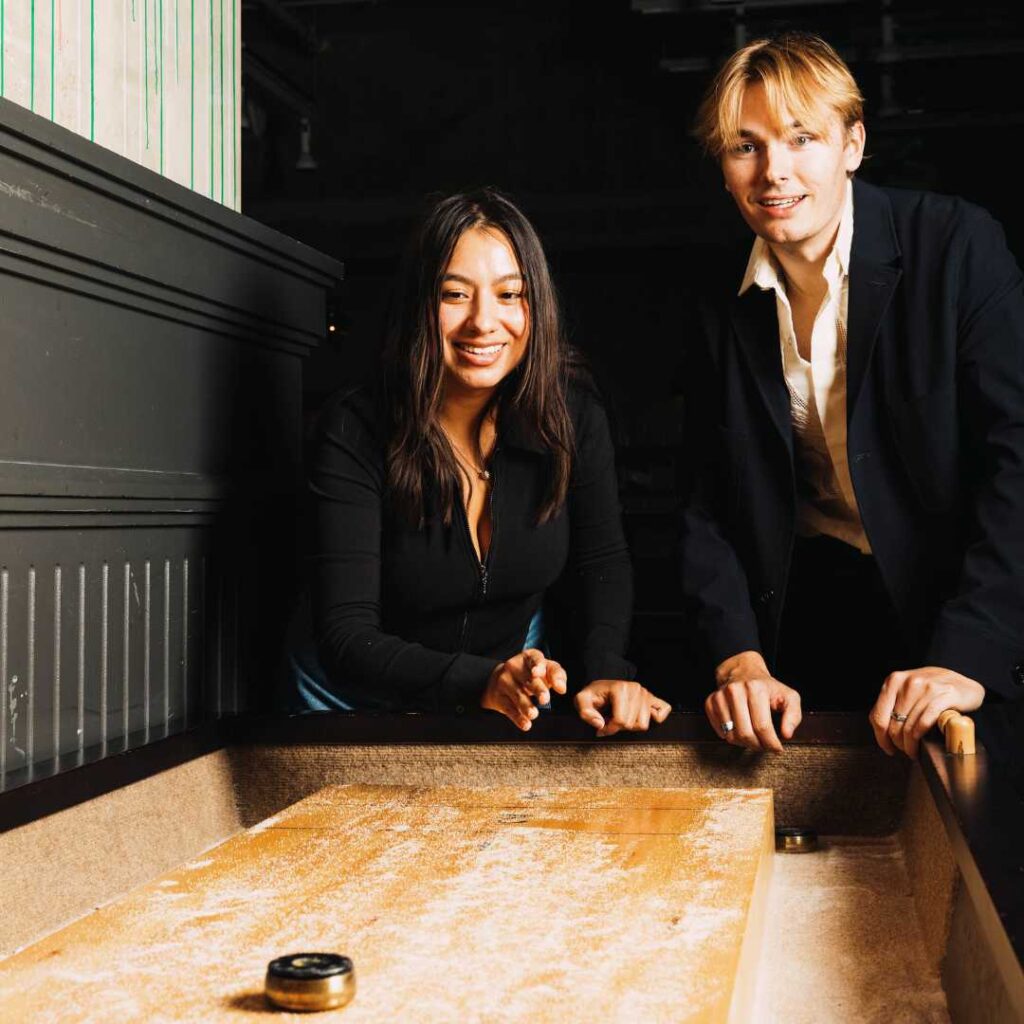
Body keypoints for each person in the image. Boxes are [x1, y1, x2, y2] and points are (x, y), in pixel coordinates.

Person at [681, 33, 1024, 758]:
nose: (774, 171)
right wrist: (738, 656)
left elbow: (1016, 465)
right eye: (746, 146)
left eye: (802, 138)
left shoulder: (956, 246)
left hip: (963, 607)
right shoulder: (713, 295)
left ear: (853, 144)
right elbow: (705, 500)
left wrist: (968, 654)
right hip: (809, 616)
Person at [307, 188, 671, 734]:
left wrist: (604, 671)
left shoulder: (571, 415)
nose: (484, 322)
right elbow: (346, 633)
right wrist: (478, 680)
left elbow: (602, 561)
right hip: (352, 705)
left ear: (536, 305)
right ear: (419, 306)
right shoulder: (354, 428)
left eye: (509, 294)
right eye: (455, 295)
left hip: (505, 697)